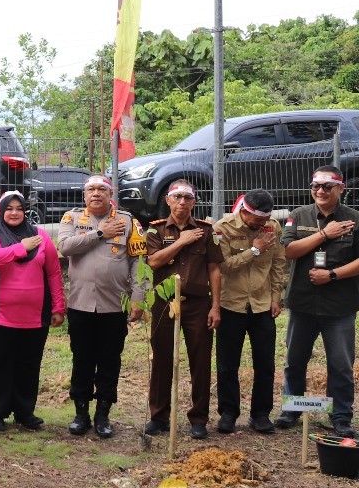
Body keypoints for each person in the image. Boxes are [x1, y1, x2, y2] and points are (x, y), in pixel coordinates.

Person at [55, 175, 148, 439]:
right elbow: (65, 248)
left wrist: (139, 298)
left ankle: (103, 415)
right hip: (80, 305)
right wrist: (100, 234)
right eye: (91, 190)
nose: (96, 194)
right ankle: (81, 414)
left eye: (101, 190)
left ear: (110, 194)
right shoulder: (71, 219)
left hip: (114, 306)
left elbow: (139, 262)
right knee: (81, 359)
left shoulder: (128, 221)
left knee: (110, 361)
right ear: (84, 196)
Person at [274, 166, 359, 437]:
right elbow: (287, 252)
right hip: (303, 303)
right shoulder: (298, 216)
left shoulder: (355, 219)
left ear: (341, 188)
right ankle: (291, 410)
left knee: (341, 365)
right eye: (315, 186)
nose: (320, 191)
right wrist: (324, 234)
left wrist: (332, 275)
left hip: (340, 306)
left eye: (327, 186)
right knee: (295, 360)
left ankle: (341, 417)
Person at [0, 191, 65, 432]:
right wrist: (20, 247)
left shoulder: (40, 236)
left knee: (29, 365)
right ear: (0, 211)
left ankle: (24, 412)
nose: (14, 212)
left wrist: (58, 306)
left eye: (19, 208)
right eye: (9, 208)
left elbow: (54, 273)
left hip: (35, 316)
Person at [144, 180, 223, 439]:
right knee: (162, 359)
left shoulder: (206, 230)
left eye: (187, 198)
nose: (182, 202)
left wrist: (215, 306)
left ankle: (198, 418)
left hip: (198, 305)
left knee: (200, 361)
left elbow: (214, 269)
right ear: (167, 200)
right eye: (177, 197)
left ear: (194, 202)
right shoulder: (155, 232)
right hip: (164, 303)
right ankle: (159, 417)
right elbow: (154, 262)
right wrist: (181, 242)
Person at [212, 189, 287, 435]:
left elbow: (278, 263)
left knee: (265, 363)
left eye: (266, 220)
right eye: (257, 221)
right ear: (244, 212)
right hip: (231, 304)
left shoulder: (272, 227)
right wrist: (254, 250)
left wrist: (276, 297)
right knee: (227, 364)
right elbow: (223, 267)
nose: (262, 225)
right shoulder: (223, 228)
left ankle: (261, 414)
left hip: (262, 304)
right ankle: (229, 413)